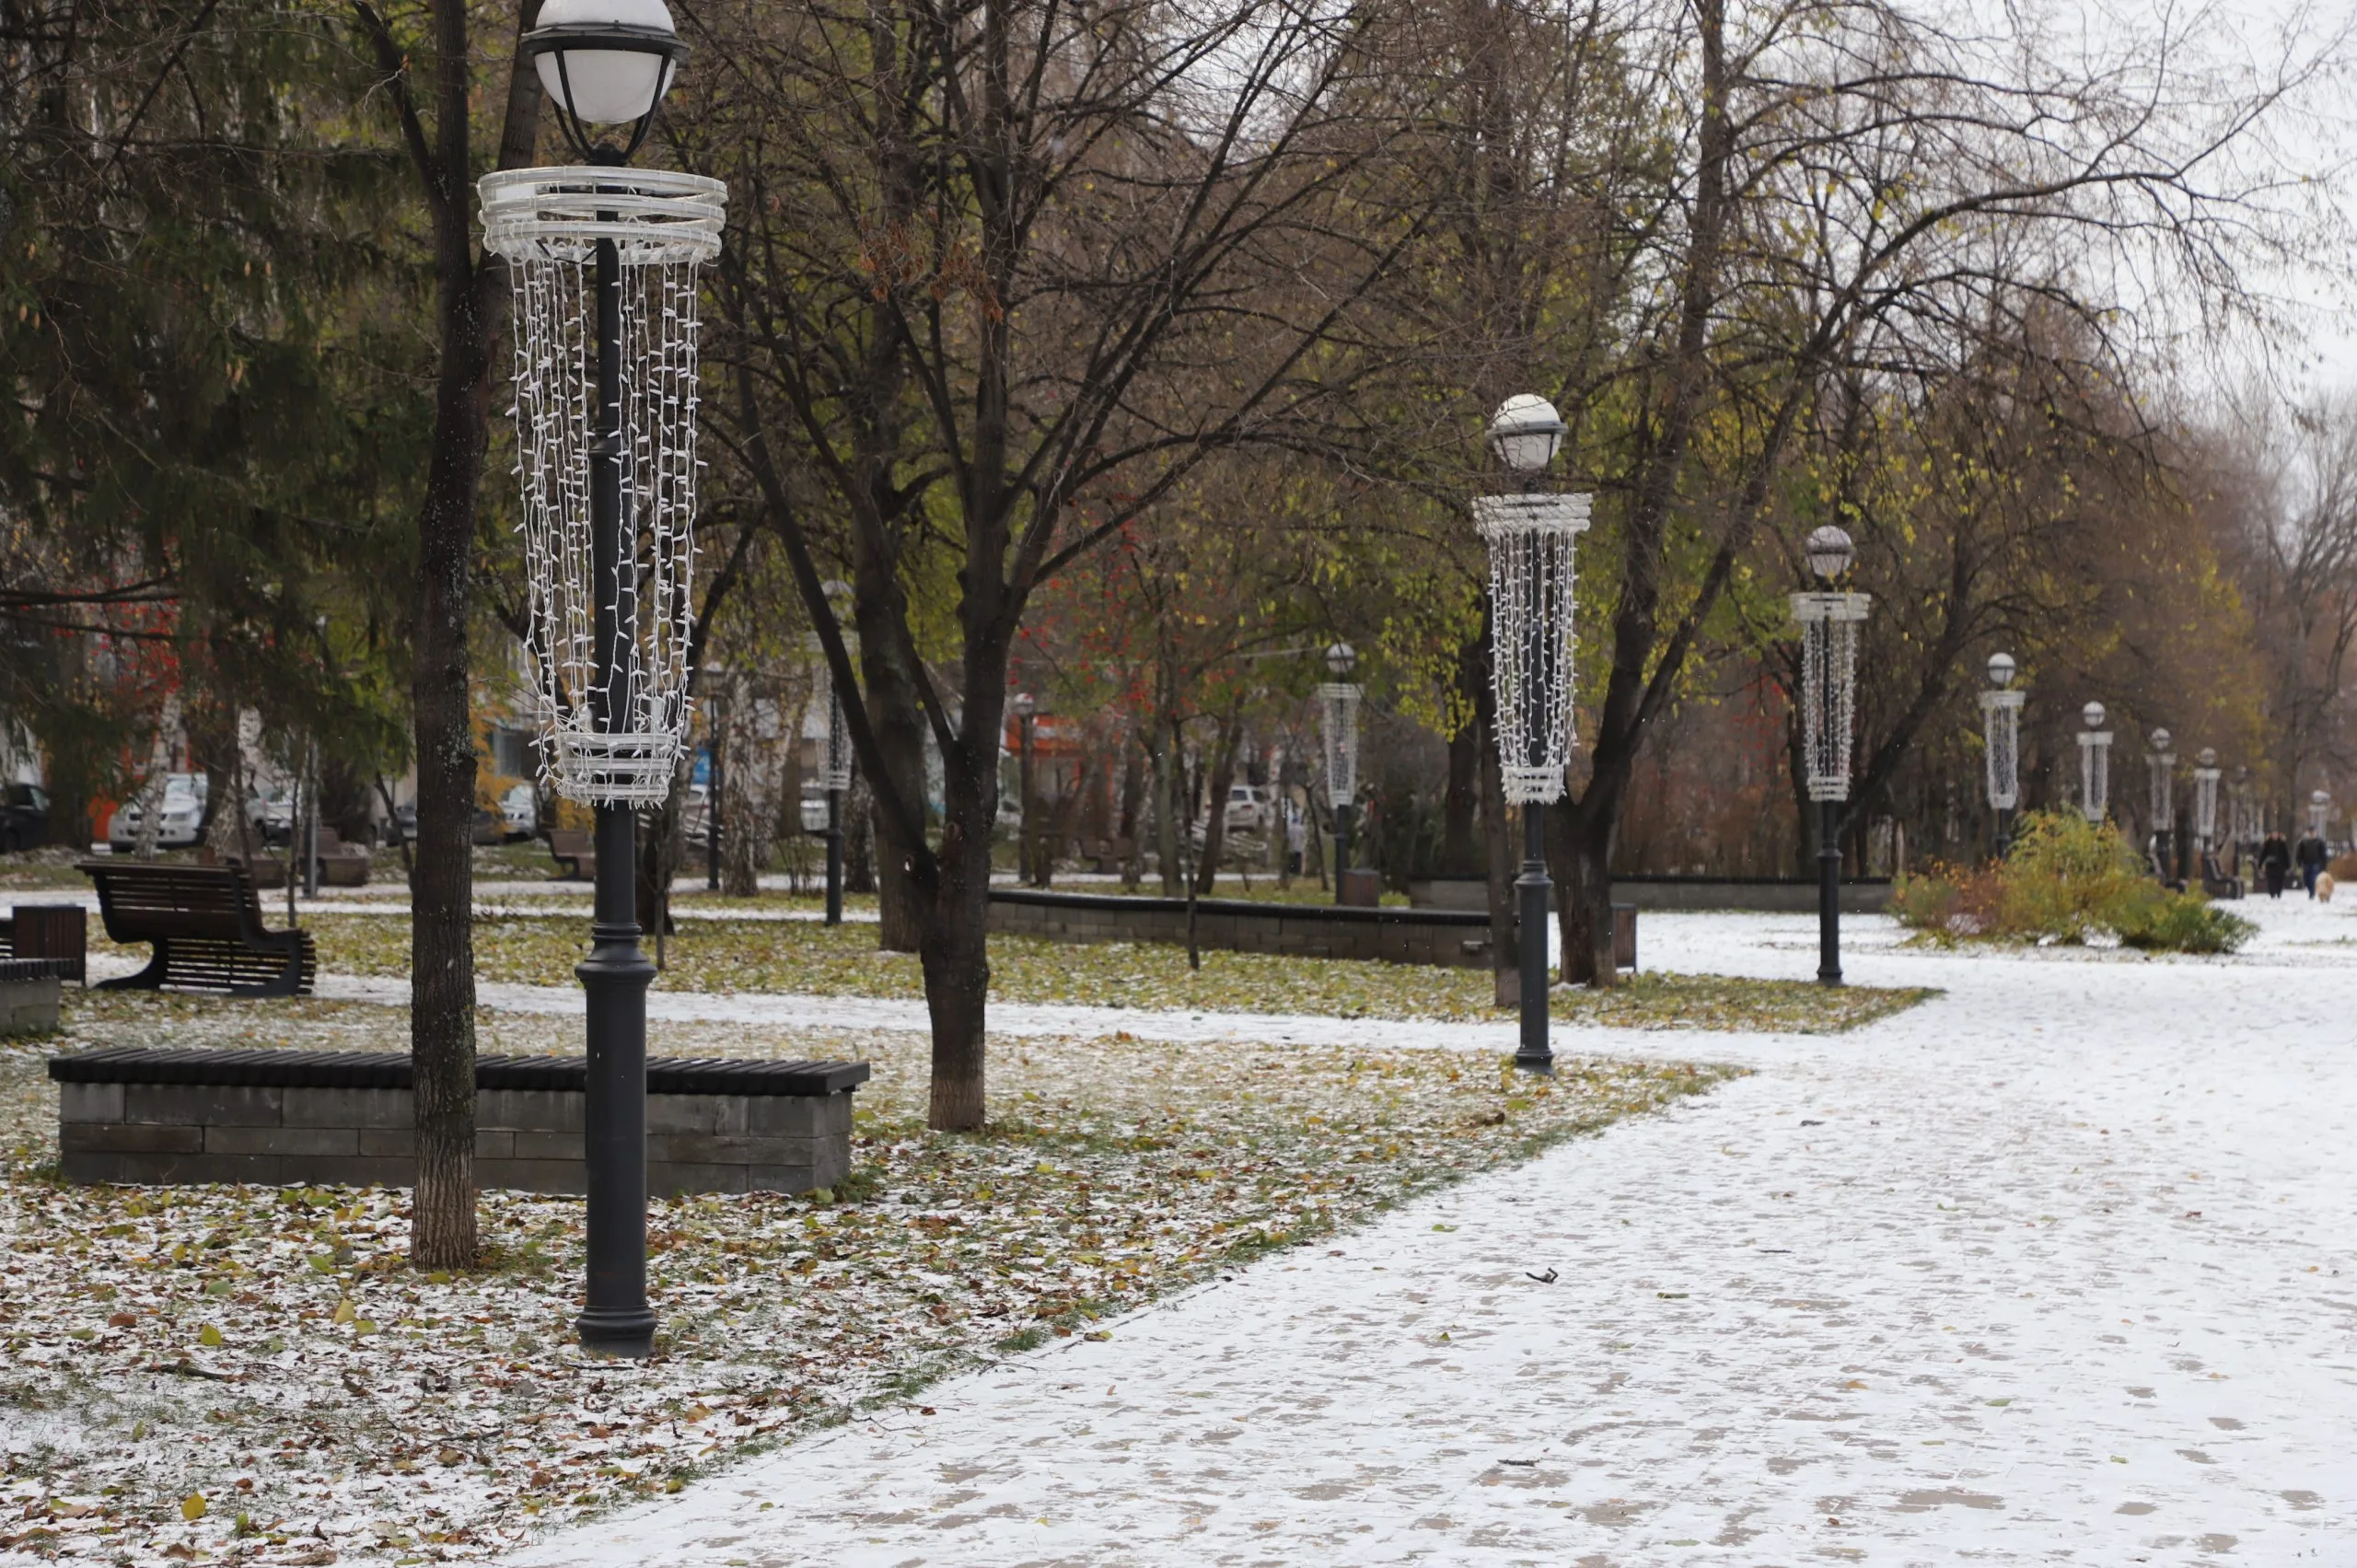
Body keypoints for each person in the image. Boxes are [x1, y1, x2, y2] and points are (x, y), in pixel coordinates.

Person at [2296, 829, 2329, 897]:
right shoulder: (2303, 842)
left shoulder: (2320, 842)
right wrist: (2299, 862)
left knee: (2313, 878)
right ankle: (2311, 890)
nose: (2312, 834)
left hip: (2316, 863)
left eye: (2313, 832)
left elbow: (2323, 854)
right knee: (2306, 879)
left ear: (2316, 833)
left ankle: (2312, 892)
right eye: (2311, 832)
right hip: (2306, 863)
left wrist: (2324, 864)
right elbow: (2300, 853)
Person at [2260, 830, 2291, 899]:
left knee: (2280, 880)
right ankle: (2272, 893)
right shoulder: (2267, 843)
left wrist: (2288, 866)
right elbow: (2263, 854)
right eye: (2273, 834)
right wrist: (2260, 863)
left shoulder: (2282, 843)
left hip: (2280, 866)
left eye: (2276, 834)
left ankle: (2279, 892)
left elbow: (2286, 855)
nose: (2275, 835)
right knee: (2270, 881)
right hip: (2270, 865)